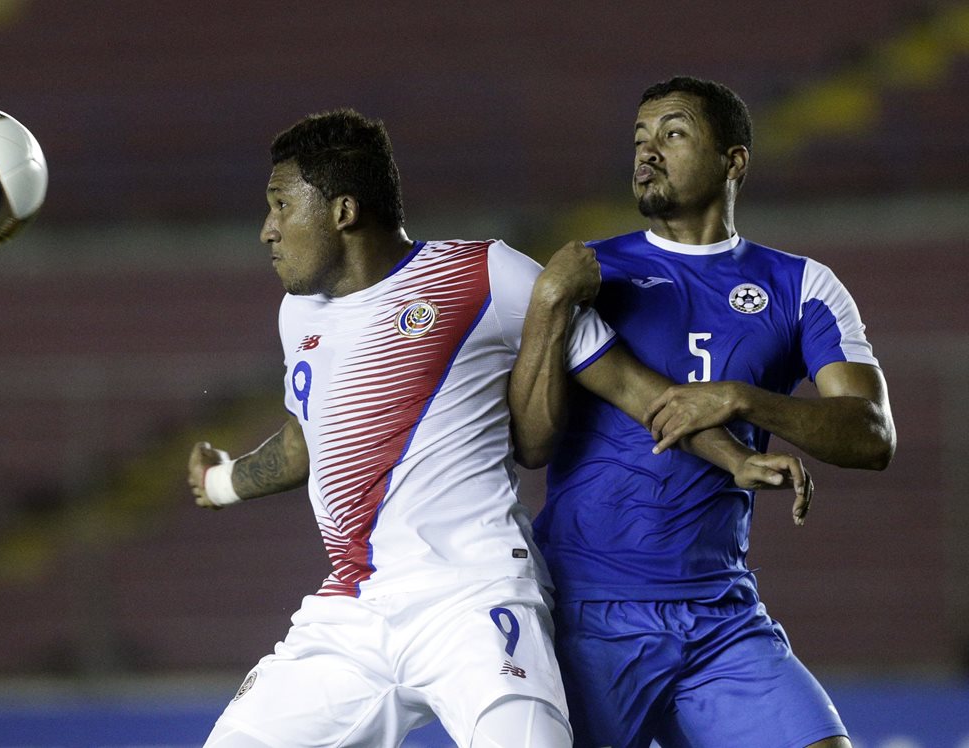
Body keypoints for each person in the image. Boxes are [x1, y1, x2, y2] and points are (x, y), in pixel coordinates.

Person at [187, 108, 810, 748]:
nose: (267, 231)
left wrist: (734, 458)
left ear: (343, 211)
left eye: (281, 206)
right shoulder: (299, 315)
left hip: (475, 597)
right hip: (352, 608)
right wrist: (225, 481)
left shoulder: (484, 274)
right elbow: (306, 438)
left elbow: (628, 383)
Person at [510, 76, 897, 748]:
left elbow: (872, 436)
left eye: (673, 134)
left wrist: (743, 398)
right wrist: (548, 307)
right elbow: (531, 444)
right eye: (639, 139)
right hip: (587, 614)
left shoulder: (801, 286)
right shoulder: (590, 273)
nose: (647, 153)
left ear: (733, 160)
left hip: (720, 615)